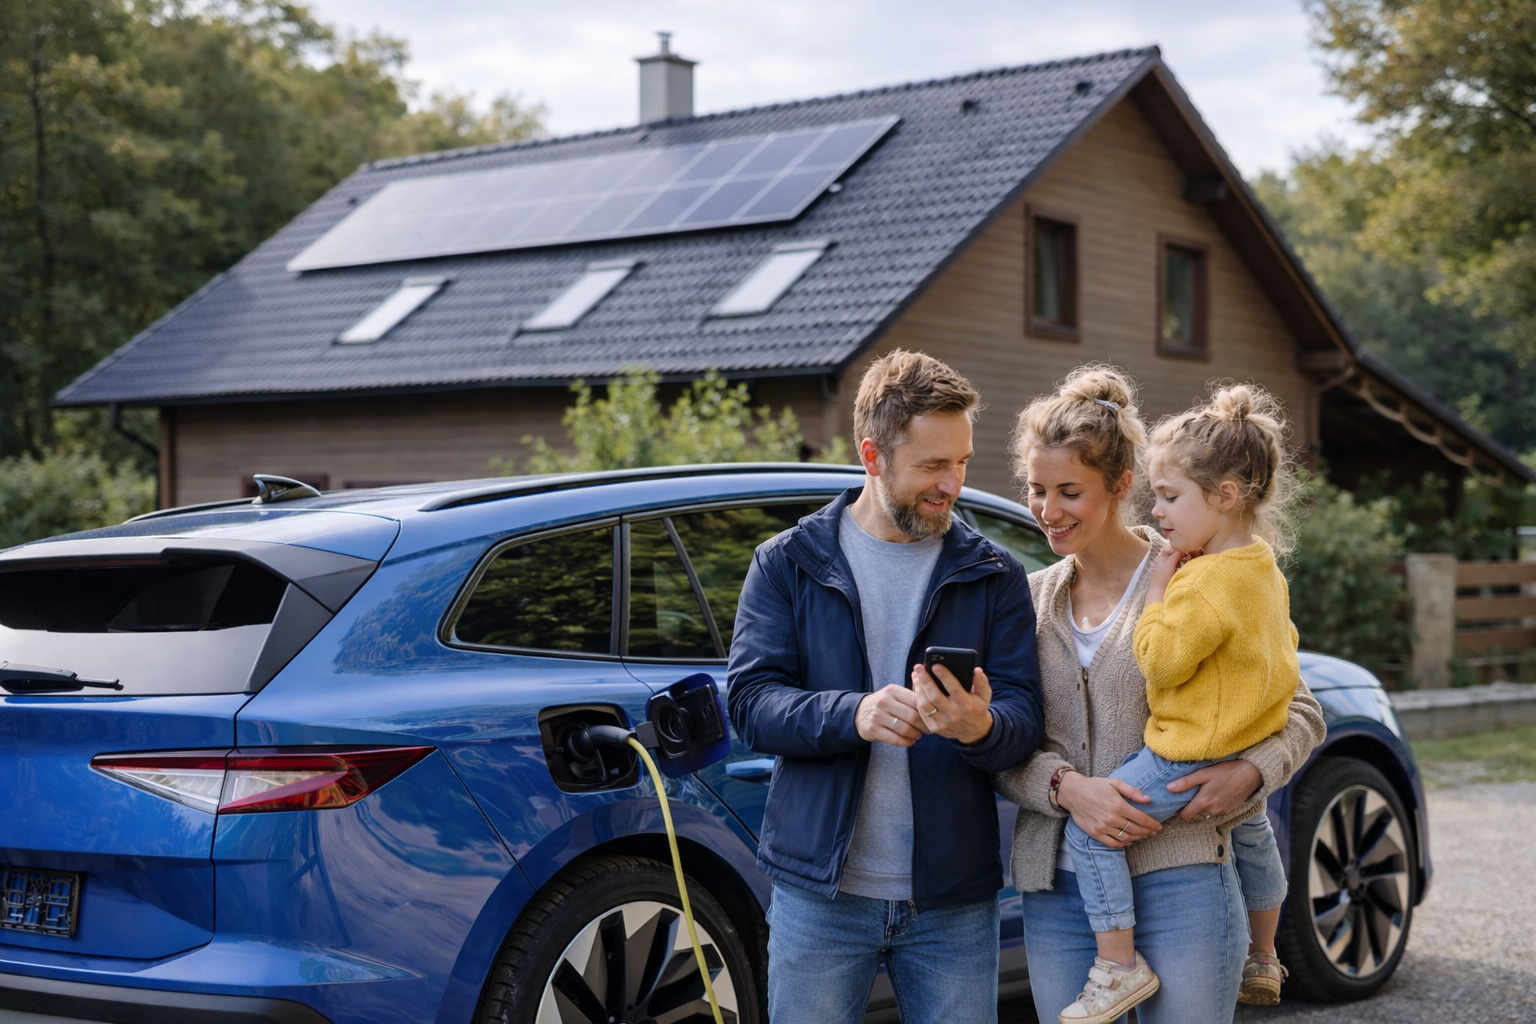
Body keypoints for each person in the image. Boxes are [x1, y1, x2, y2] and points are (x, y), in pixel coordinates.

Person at [994, 365, 1325, 1024]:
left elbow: (1299, 707)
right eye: (1035, 490)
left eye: (1068, 491)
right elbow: (999, 742)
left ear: (1121, 486)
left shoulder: (1201, 573)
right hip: (1060, 885)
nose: (1047, 510)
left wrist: (1251, 772)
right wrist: (1064, 786)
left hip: (1184, 873)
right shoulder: (1024, 603)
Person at [728, 349, 1044, 1024]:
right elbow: (752, 704)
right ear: (873, 457)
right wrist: (856, 714)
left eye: (961, 462)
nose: (952, 484)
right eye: (933, 466)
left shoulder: (995, 574)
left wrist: (981, 727)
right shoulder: (787, 562)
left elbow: (1023, 717)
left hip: (954, 902)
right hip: (821, 896)